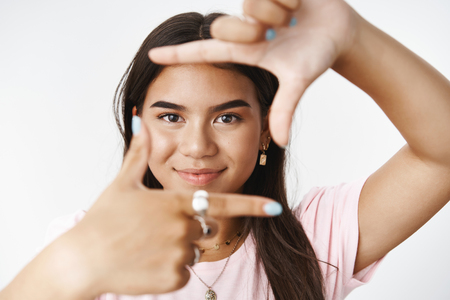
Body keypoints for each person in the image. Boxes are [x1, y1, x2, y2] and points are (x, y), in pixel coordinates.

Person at [1, 0, 450, 299]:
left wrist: (352, 40)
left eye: (227, 117)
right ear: (138, 123)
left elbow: (442, 153)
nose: (197, 147)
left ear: (266, 129)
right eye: (171, 117)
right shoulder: (87, 243)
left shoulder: (314, 241)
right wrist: (74, 263)